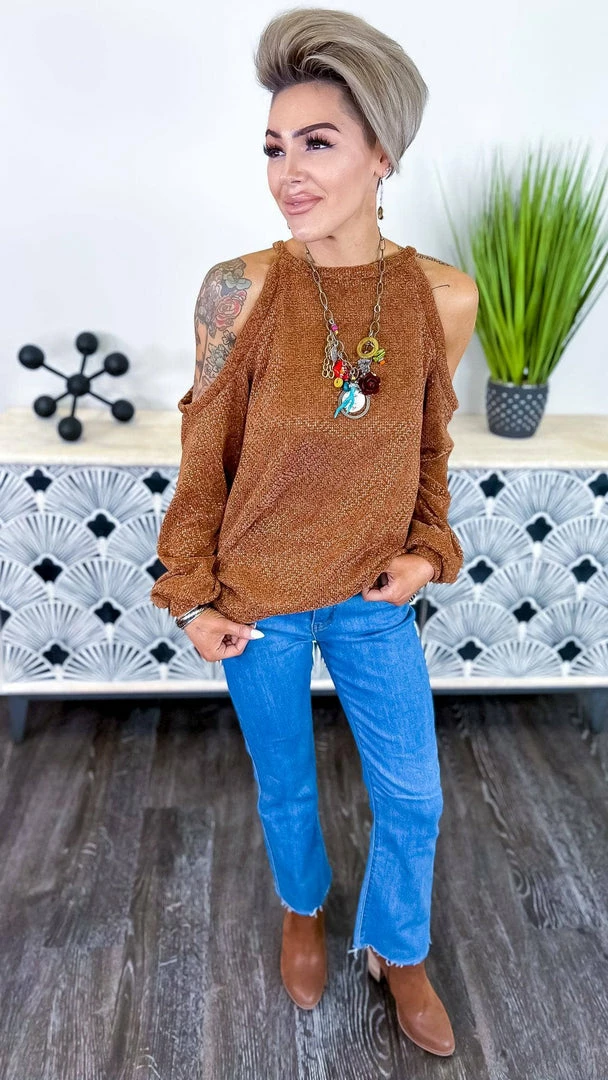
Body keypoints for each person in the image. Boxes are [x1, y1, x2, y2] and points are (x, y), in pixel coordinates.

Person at [150, 6, 478, 1059]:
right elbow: (204, 459)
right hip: (258, 605)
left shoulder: (441, 297)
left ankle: (397, 948)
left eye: (317, 143)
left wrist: (426, 552)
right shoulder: (238, 292)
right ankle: (303, 909)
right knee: (285, 782)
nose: (287, 173)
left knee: (412, 797)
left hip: (373, 598)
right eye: (273, 147)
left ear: (382, 154)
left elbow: (427, 449)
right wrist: (191, 597)